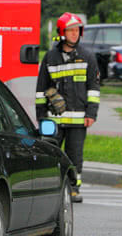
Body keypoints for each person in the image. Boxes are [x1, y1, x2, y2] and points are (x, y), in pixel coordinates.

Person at [35, 12, 100, 203]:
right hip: (53, 119)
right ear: (62, 32)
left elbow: (94, 88)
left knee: (75, 155)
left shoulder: (88, 57)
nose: (74, 34)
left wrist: (91, 113)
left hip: (79, 118)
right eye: (70, 30)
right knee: (52, 154)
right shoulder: (50, 57)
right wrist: (41, 117)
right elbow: (41, 90)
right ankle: (50, 188)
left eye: (77, 30)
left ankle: (73, 189)